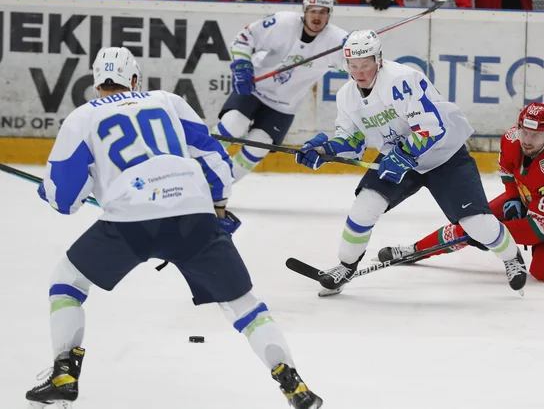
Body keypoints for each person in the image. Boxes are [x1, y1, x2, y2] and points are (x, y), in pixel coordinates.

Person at [24, 47, 323, 409]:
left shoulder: (82, 118)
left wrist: (50, 191)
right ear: (135, 81)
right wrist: (217, 207)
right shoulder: (167, 100)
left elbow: (64, 201)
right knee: (243, 305)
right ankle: (292, 381)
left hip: (129, 224)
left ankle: (64, 372)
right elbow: (215, 160)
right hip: (193, 216)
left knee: (67, 283)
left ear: (94, 83)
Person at [294, 30, 528, 296]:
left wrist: (403, 155)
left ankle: (511, 258)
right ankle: (346, 266)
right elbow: (353, 140)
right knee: (363, 208)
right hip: (399, 157)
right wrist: (324, 150)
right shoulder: (347, 96)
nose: (359, 72)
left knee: (478, 224)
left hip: (444, 156)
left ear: (379, 59)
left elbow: (431, 128)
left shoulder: (402, 80)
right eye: (353, 65)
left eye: (365, 64)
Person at [379, 103, 544, 281]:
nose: (526, 139)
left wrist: (492, 234)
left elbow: (537, 231)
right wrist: (512, 197)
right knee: (470, 222)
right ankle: (414, 249)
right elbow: (508, 172)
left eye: (535, 135)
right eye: (524, 131)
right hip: (527, 194)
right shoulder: (511, 139)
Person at [211, 0, 348, 182]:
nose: (317, 17)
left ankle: (220, 186)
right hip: (254, 89)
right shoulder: (283, 22)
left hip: (284, 105)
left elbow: (357, 64)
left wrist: (361, 47)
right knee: (232, 125)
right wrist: (242, 64)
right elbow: (244, 38)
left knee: (258, 146)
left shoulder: (337, 41)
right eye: (313, 11)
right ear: (304, 11)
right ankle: (195, 166)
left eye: (323, 12)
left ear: (329, 15)